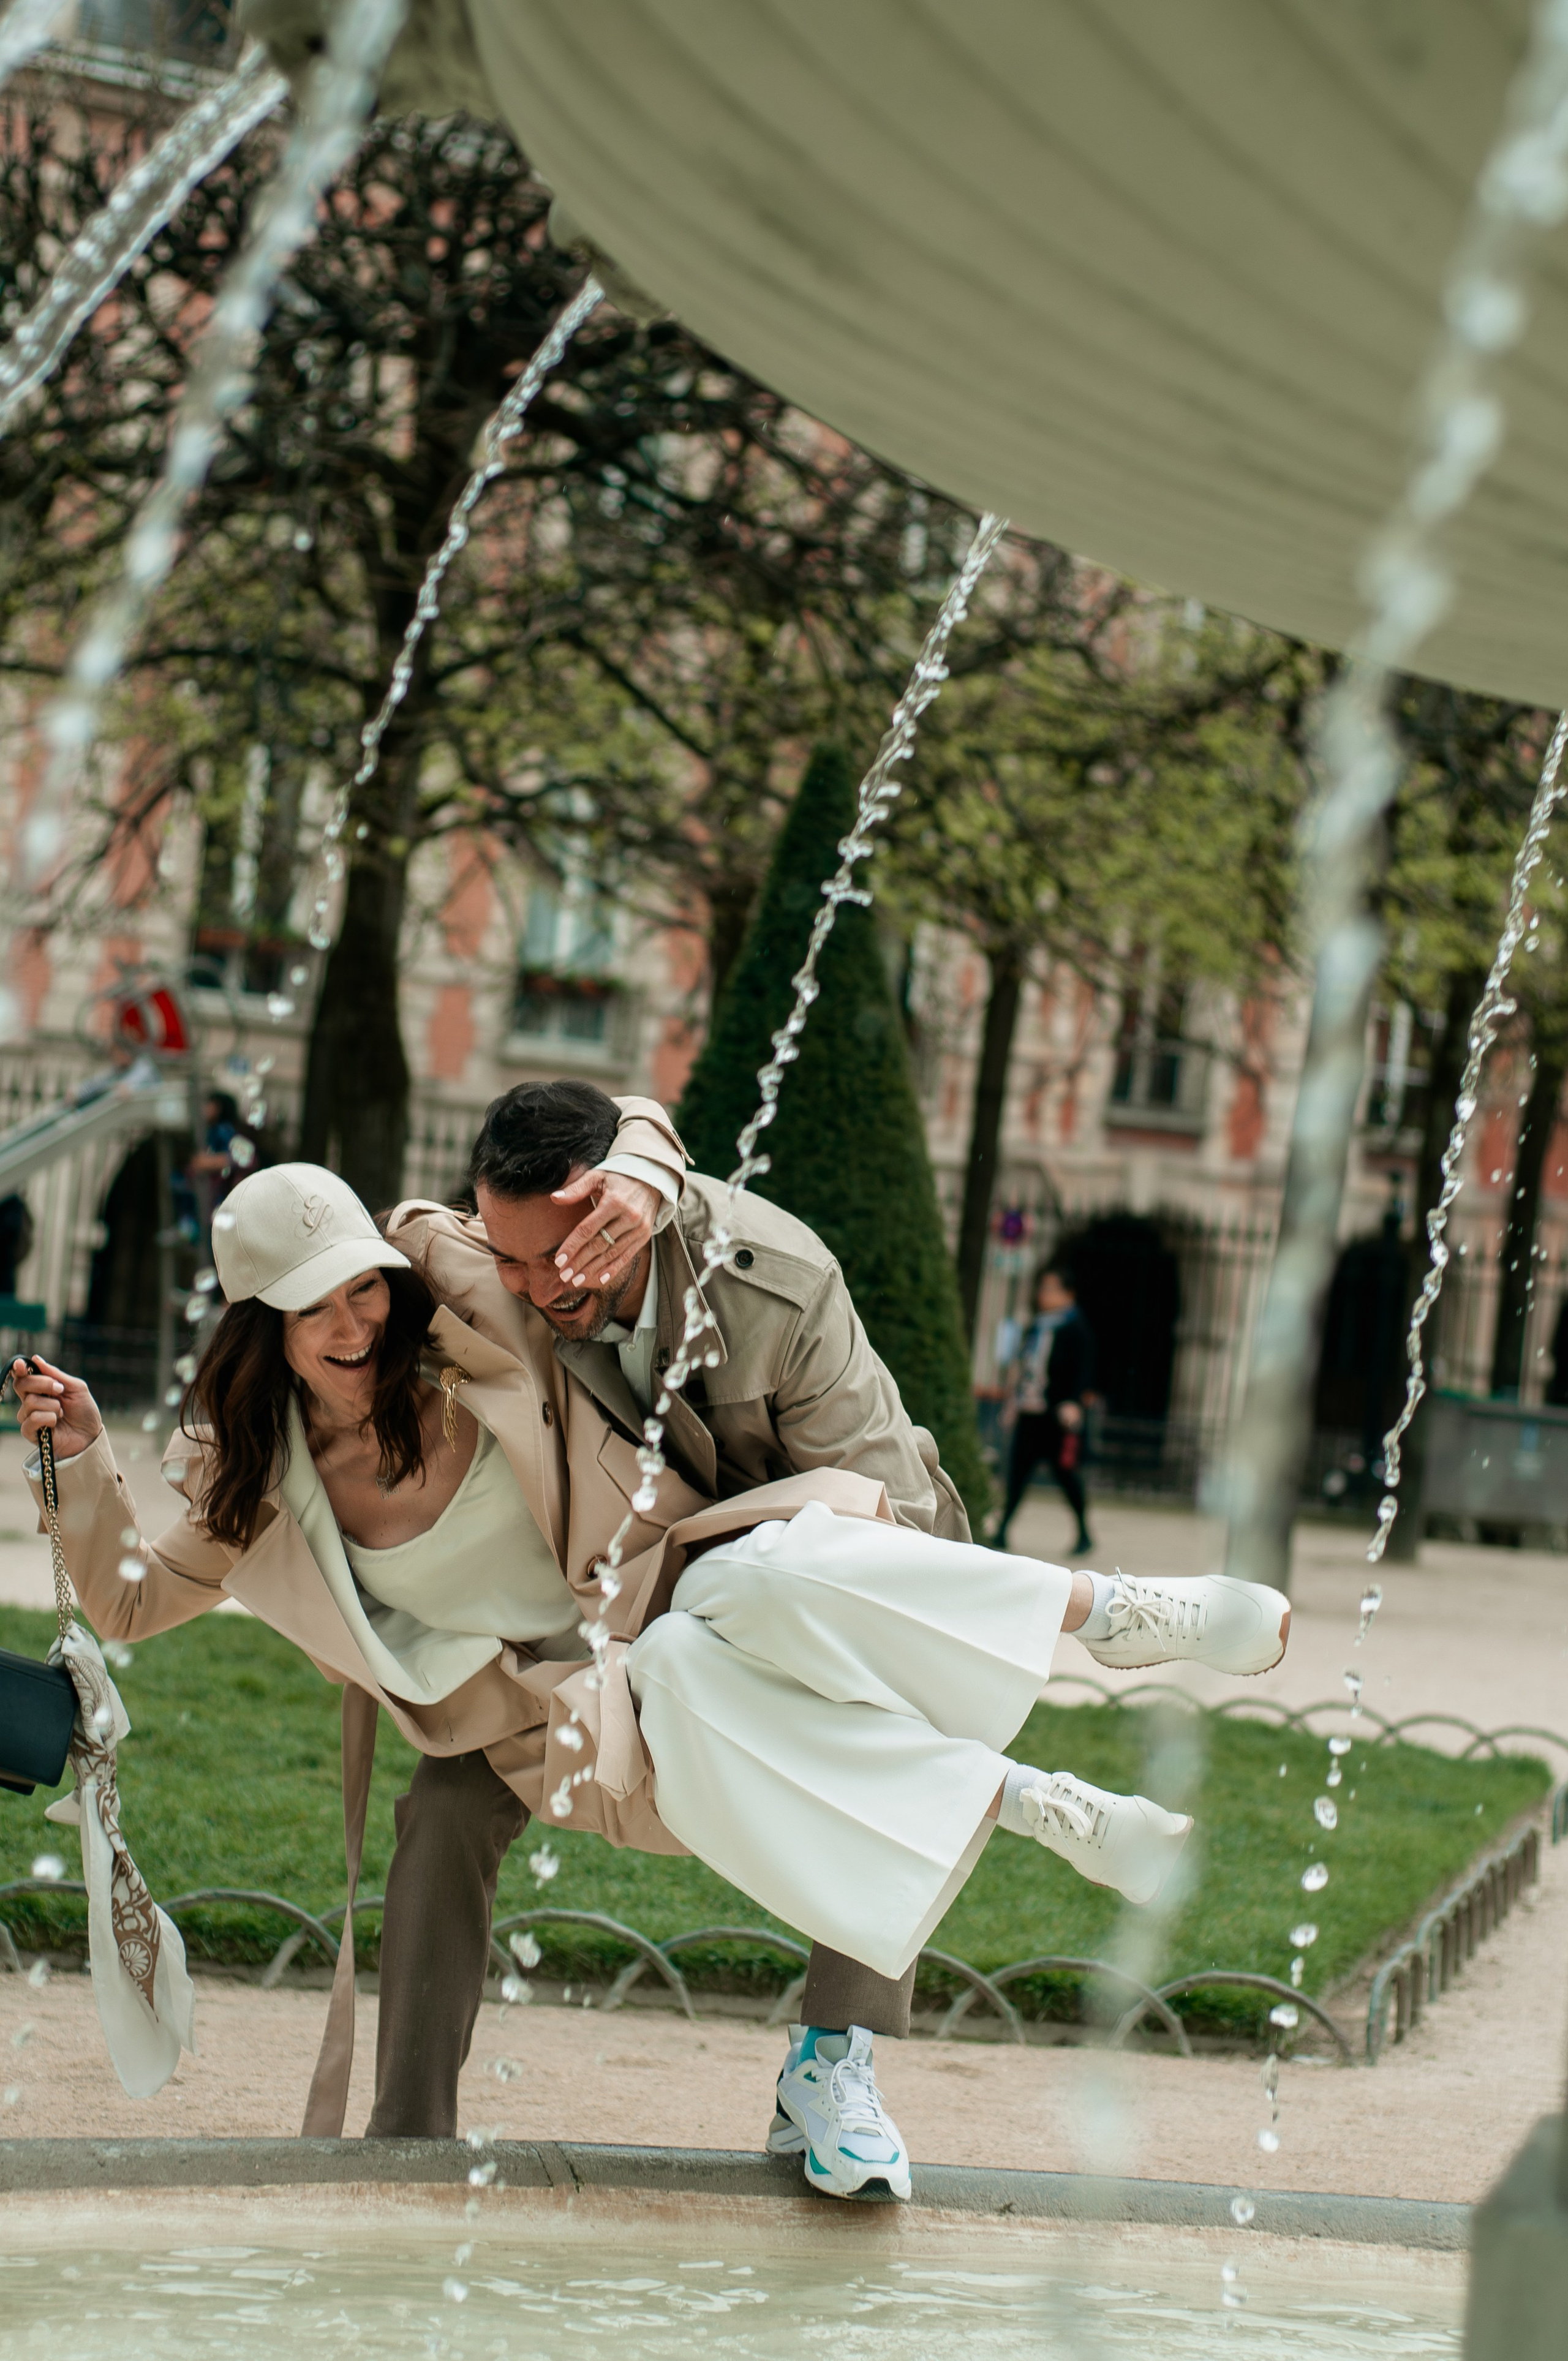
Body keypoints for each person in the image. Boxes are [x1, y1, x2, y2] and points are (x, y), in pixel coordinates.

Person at [383, 1080, 1292, 2199]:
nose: (529, 1290)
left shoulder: (777, 1280)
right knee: (449, 1793)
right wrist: (648, 1140)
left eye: (552, 1262)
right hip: (614, 1620)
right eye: (507, 1263)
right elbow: (380, 1236)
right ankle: (404, 2136)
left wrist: (649, 1161)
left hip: (824, 1566)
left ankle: (835, 2062)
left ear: (619, 1211)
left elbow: (891, 1520)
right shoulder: (499, 1264)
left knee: (833, 1654)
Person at [993, 1256, 1096, 1557]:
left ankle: (1084, 1532)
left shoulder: (1077, 1328)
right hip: (1030, 1410)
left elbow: (1084, 1370)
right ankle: (1002, 1530)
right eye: (1043, 1288)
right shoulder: (1036, 1327)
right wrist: (1011, 1402)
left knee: (1065, 1475)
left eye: (1051, 1289)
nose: (1044, 1295)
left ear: (1068, 1294)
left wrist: (1075, 1403)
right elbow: (1023, 1366)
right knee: (1018, 1472)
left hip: (1057, 1415)